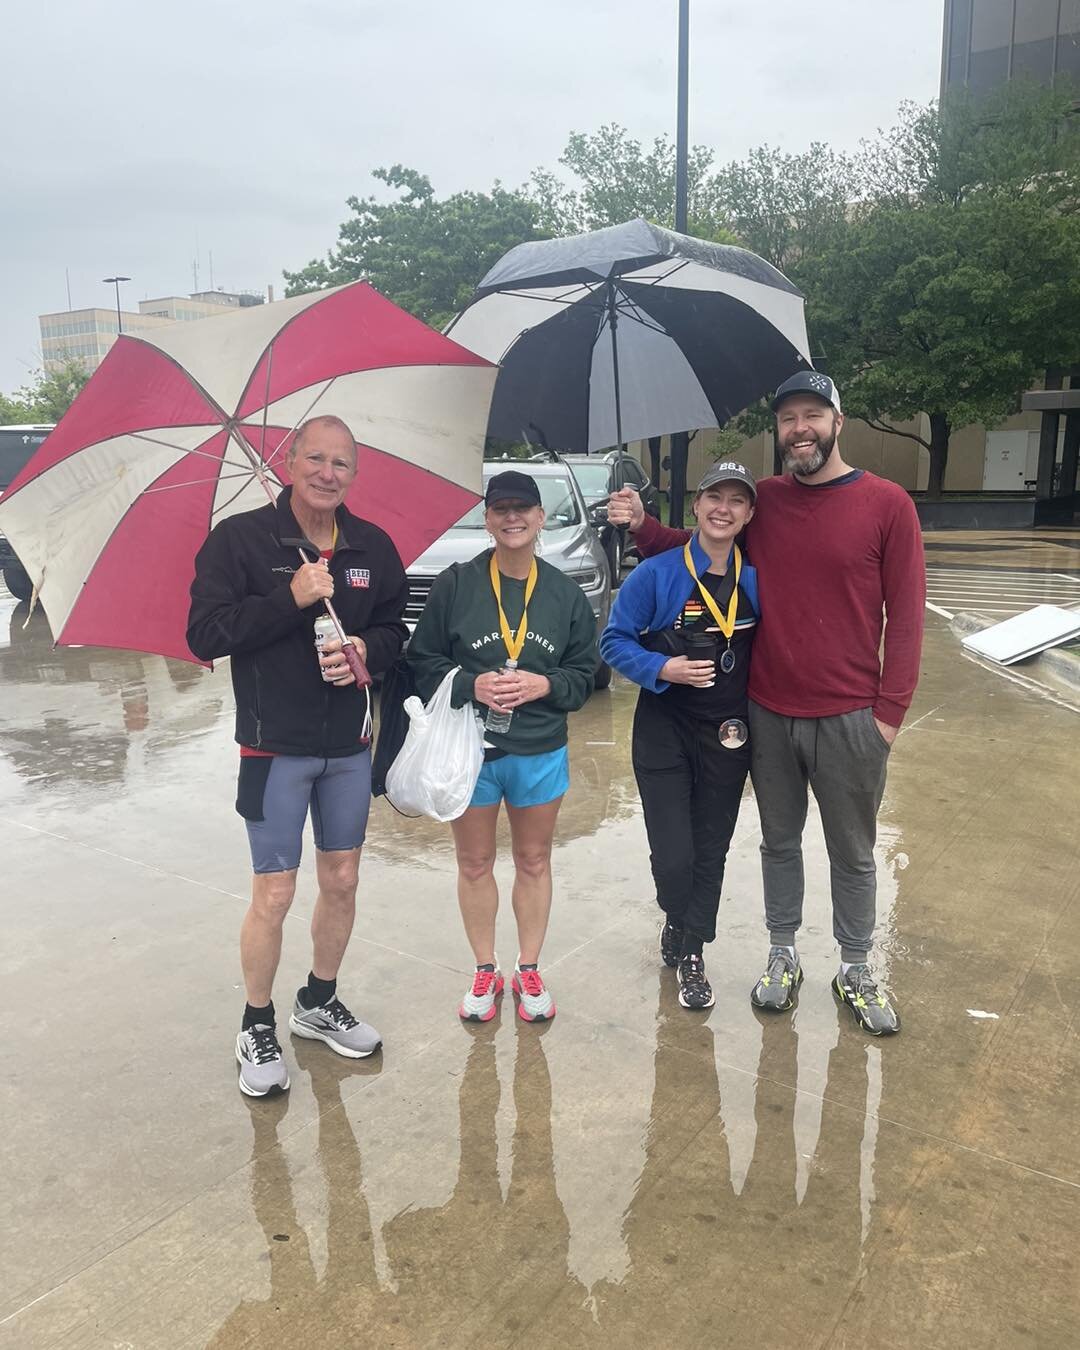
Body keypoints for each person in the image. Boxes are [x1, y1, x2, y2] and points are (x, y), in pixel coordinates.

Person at [607, 372, 926, 1035]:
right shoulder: (768, 501)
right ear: (777, 432)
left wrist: (888, 718)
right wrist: (645, 527)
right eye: (787, 419)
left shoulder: (888, 503)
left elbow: (909, 616)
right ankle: (783, 956)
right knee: (779, 844)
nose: (799, 428)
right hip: (769, 713)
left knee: (854, 852)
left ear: (838, 422)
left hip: (851, 717)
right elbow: (702, 548)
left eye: (813, 415)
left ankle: (857, 968)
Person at [187, 414, 409, 1096]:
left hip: (348, 746)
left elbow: (396, 626)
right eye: (316, 458)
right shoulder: (240, 541)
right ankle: (257, 1021)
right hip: (272, 748)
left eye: (341, 463)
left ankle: (317, 1002)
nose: (327, 473)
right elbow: (205, 635)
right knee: (275, 891)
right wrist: (290, 596)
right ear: (289, 463)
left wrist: (368, 649)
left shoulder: (372, 545)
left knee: (341, 880)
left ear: (354, 474)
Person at [406, 470, 598, 1024]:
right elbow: (422, 661)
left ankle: (530, 967)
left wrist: (545, 684)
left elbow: (585, 673)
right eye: (501, 509)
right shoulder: (457, 584)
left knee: (534, 860)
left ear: (541, 519)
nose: (512, 518)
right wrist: (472, 684)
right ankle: (485, 969)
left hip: (539, 749)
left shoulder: (562, 593)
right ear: (487, 519)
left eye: (523, 509)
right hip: (470, 751)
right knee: (474, 862)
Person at [600, 464, 759, 1010]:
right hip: (664, 730)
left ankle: (693, 950)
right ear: (696, 504)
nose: (724, 508)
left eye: (737, 501)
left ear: (749, 515)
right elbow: (613, 642)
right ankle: (676, 913)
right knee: (674, 855)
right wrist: (662, 669)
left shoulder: (757, 578)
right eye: (715, 496)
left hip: (728, 732)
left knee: (710, 848)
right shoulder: (656, 574)